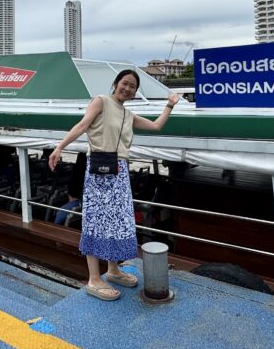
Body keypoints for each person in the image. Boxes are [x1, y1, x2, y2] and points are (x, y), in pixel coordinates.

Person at [49, 69, 180, 301]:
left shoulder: (128, 114)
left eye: (132, 86)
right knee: (96, 220)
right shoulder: (101, 101)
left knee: (118, 222)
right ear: (116, 83)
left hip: (119, 173)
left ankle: (113, 270)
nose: (127, 89)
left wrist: (170, 105)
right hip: (99, 171)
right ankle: (93, 278)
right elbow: (82, 125)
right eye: (125, 83)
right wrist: (60, 148)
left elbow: (157, 126)